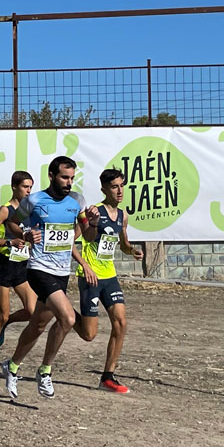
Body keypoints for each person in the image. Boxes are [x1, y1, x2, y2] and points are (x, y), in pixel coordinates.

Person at [0, 156, 100, 399]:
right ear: (52, 176)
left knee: (39, 324)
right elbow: (11, 223)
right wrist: (25, 233)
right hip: (38, 269)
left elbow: (87, 236)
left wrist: (94, 223)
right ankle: (45, 371)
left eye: (72, 178)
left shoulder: (77, 201)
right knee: (66, 318)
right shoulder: (34, 200)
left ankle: (11, 367)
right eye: (64, 177)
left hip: (61, 271)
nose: (69, 183)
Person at [71, 168, 143, 394]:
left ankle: (108, 376)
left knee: (121, 322)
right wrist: (84, 265)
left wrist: (131, 250)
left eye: (122, 185)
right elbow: (70, 242)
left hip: (109, 276)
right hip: (91, 277)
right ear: (104, 189)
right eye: (114, 186)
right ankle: (63, 312)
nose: (120, 191)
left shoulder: (123, 215)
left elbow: (122, 243)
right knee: (89, 334)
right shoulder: (93, 213)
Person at [0, 171, 37, 374]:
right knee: (1, 315)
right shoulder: (6, 210)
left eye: (31, 187)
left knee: (32, 311)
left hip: (22, 266)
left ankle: (8, 323)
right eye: (25, 187)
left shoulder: (30, 210)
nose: (29, 191)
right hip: (5, 265)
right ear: (14, 187)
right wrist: (8, 242)